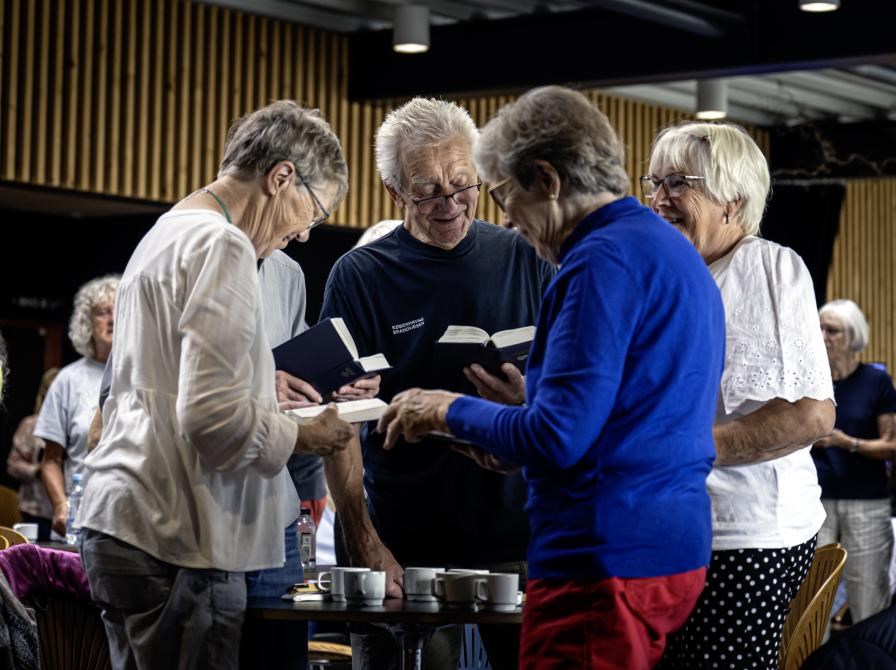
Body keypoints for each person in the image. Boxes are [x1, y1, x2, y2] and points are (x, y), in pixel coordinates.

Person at [377, 85, 725, 669]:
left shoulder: (598, 261)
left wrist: (443, 409)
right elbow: (619, 420)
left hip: (601, 556)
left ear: (547, 179)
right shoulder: (666, 247)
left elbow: (557, 434)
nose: (507, 220)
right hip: (666, 544)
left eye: (505, 195)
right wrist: (512, 445)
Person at [78, 100, 355, 670]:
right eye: (315, 210)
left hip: (124, 521)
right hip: (179, 533)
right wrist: (311, 434)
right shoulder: (223, 244)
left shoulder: (168, 230)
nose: (305, 234)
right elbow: (214, 421)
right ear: (280, 178)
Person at [319, 97, 555, 669]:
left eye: (463, 184)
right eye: (427, 191)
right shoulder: (359, 275)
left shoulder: (529, 257)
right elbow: (336, 426)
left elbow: (580, 392)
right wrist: (365, 541)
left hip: (522, 535)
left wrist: (528, 401)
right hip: (406, 540)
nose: (450, 203)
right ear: (394, 190)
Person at [644, 121, 836, 670]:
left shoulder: (765, 266)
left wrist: (683, 449)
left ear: (733, 200)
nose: (659, 200)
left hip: (740, 540)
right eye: (653, 184)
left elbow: (811, 415)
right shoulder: (667, 274)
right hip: (666, 531)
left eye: (679, 183)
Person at [813, 299, 896, 624]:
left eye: (831, 330)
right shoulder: (812, 382)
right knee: (813, 600)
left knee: (868, 599)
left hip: (866, 505)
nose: (822, 336)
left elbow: (891, 446)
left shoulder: (874, 381)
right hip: (815, 505)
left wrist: (848, 443)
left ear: (852, 336)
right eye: (819, 328)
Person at [35, 275, 118, 537]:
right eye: (103, 312)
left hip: (131, 524)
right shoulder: (68, 379)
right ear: (87, 322)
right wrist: (61, 506)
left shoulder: (145, 374)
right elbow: (51, 460)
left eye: (121, 310)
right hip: (81, 525)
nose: (113, 319)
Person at [7, 368, 59, 540]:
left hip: (68, 512)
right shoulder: (30, 425)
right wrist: (36, 470)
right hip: (35, 511)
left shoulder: (76, 427)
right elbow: (12, 465)